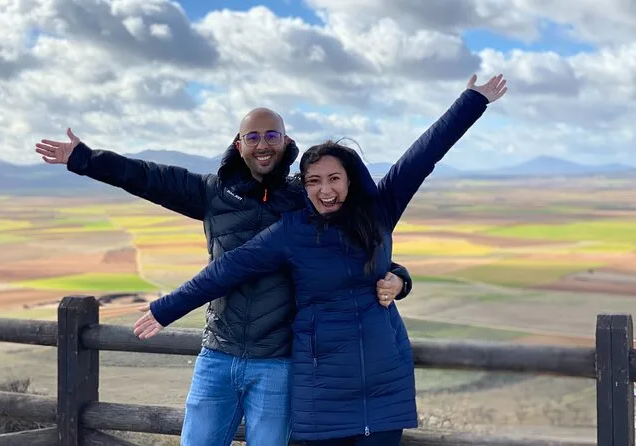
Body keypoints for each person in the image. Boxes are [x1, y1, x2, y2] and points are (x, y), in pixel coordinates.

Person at [132, 73, 508, 445]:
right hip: (321, 389)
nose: (325, 190)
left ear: (350, 180)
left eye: (334, 179)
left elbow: (423, 156)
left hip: (382, 383)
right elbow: (229, 268)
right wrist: (167, 308)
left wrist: (471, 101)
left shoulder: (379, 212)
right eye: (313, 181)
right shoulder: (292, 231)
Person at [34, 109, 413, 446]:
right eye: (252, 136)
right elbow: (147, 177)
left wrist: (396, 275)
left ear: (286, 142)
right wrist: (85, 159)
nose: (262, 144)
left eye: (271, 135)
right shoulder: (213, 192)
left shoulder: (307, 196)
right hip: (218, 351)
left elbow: (353, 249)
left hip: (277, 359)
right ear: (239, 144)